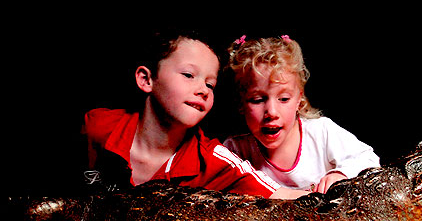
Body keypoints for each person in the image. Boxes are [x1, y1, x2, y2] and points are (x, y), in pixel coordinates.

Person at [82, 28, 304, 199]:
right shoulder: (97, 126)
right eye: (189, 75)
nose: (202, 90)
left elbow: (279, 195)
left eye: (210, 84)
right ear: (146, 79)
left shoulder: (214, 159)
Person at [223, 35, 380, 194]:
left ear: (299, 99)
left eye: (283, 99)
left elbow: (369, 160)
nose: (271, 112)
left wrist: (340, 175)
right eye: (257, 100)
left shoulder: (321, 133)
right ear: (241, 102)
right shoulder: (236, 149)